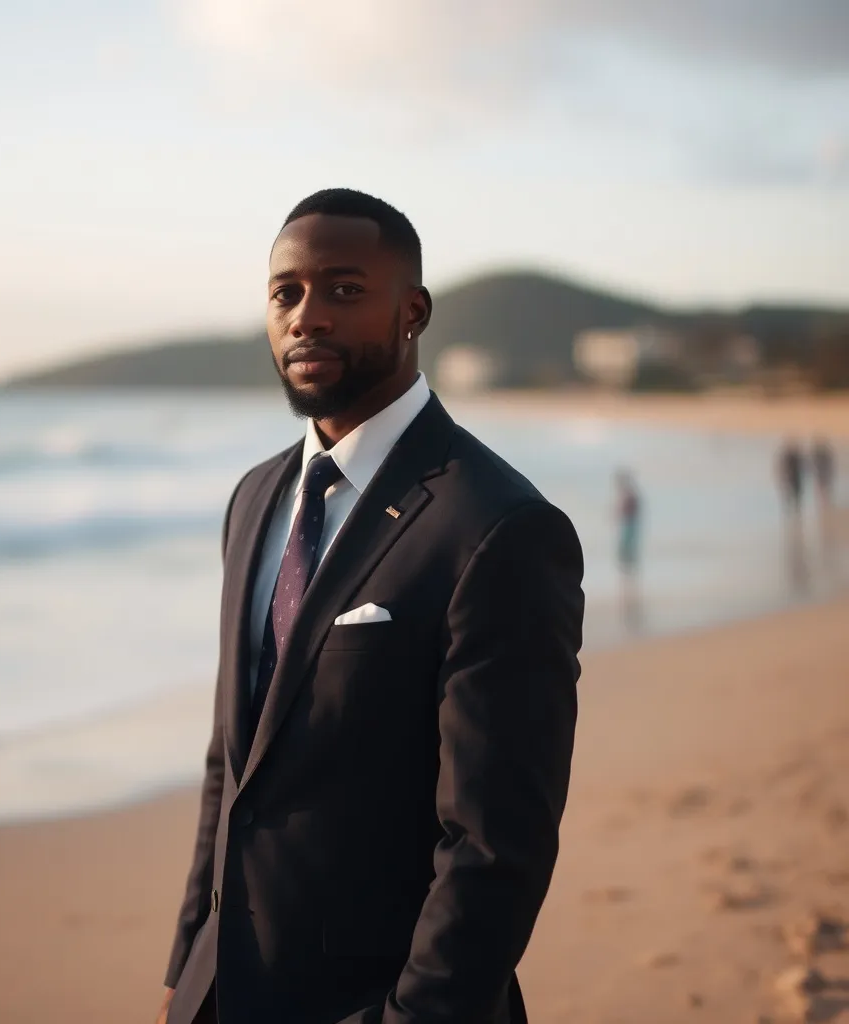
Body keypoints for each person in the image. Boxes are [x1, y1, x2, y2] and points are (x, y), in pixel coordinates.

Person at [156, 189, 585, 1024]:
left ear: (412, 310)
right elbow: (230, 765)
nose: (307, 316)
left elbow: (497, 845)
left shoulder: (498, 526)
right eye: (286, 293)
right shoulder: (255, 500)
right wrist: (188, 964)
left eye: (344, 290)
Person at [614, 469, 642, 625]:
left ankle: (628, 587)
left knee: (626, 558)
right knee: (627, 559)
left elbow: (627, 511)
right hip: (630, 527)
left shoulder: (629, 495)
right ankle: (628, 586)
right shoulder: (630, 495)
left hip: (629, 528)